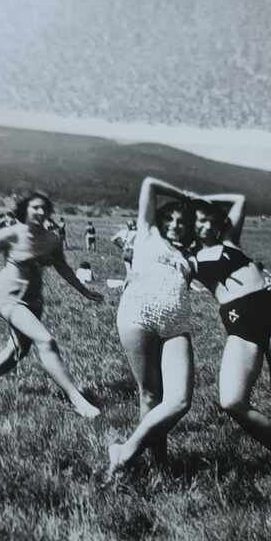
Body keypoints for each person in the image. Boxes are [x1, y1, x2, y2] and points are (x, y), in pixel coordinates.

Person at [171, 184, 271, 471]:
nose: (206, 223)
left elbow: (240, 198)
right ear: (190, 227)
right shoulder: (190, 261)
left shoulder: (231, 241)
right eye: (199, 220)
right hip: (241, 325)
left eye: (209, 218)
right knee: (232, 400)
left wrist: (201, 199)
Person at [0, 191, 103, 418]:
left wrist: (84, 290)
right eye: (35, 207)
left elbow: (63, 267)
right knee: (46, 340)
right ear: (25, 209)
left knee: (18, 350)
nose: (41, 212)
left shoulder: (52, 239)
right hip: (8, 296)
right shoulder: (9, 234)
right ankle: (78, 400)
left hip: (34, 299)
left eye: (45, 209)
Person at [105, 178, 200, 480]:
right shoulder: (147, 234)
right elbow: (147, 184)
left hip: (176, 323)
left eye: (182, 221)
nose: (175, 224)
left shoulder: (193, 252)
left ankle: (126, 451)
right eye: (170, 218)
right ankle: (159, 466)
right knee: (150, 396)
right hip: (138, 316)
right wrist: (185, 195)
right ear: (160, 220)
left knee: (180, 400)